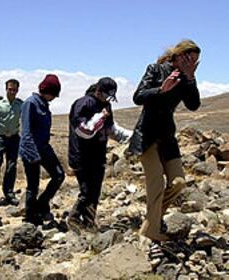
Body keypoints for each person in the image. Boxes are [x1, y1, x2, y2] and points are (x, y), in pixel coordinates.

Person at [127, 40, 201, 258]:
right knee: (156, 182)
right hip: (147, 135)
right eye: (188, 59)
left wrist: (190, 77)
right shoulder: (156, 69)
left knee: (179, 182)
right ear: (177, 56)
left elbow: (194, 105)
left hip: (167, 137)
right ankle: (151, 232)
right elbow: (138, 97)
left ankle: (154, 218)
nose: (191, 63)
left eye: (195, 62)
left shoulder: (188, 79)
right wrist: (161, 89)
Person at [67, 77, 132, 234]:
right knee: (86, 191)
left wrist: (131, 136)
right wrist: (100, 117)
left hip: (97, 154)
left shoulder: (106, 105)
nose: (107, 100)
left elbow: (111, 129)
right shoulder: (83, 103)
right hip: (81, 155)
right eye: (106, 95)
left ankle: (89, 223)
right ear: (98, 90)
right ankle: (73, 219)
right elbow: (84, 131)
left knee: (95, 190)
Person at [19, 74, 65, 226]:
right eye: (54, 94)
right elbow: (26, 132)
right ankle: (31, 216)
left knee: (59, 175)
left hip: (44, 147)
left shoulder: (45, 104)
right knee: (33, 185)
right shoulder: (30, 103)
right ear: (46, 90)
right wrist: (33, 154)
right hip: (30, 150)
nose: (54, 98)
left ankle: (41, 203)